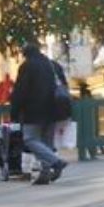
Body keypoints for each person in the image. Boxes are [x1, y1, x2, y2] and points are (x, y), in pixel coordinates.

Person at [9, 42, 69, 185]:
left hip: (33, 110)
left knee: (30, 139)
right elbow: (64, 85)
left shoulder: (27, 66)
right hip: (54, 109)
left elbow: (20, 91)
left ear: (26, 54)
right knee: (47, 142)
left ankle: (56, 162)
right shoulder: (53, 65)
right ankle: (45, 173)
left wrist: (15, 112)